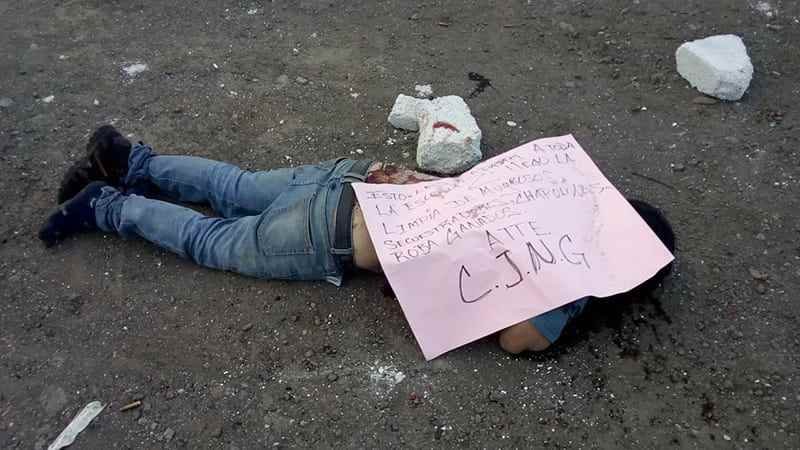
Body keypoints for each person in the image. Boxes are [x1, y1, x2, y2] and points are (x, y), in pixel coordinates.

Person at [40, 126, 676, 354]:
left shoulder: (550, 190)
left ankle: (130, 160)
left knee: (235, 185)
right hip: (334, 233)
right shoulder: (570, 275)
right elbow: (518, 341)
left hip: (359, 179)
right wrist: (579, 300)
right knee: (214, 240)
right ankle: (109, 206)